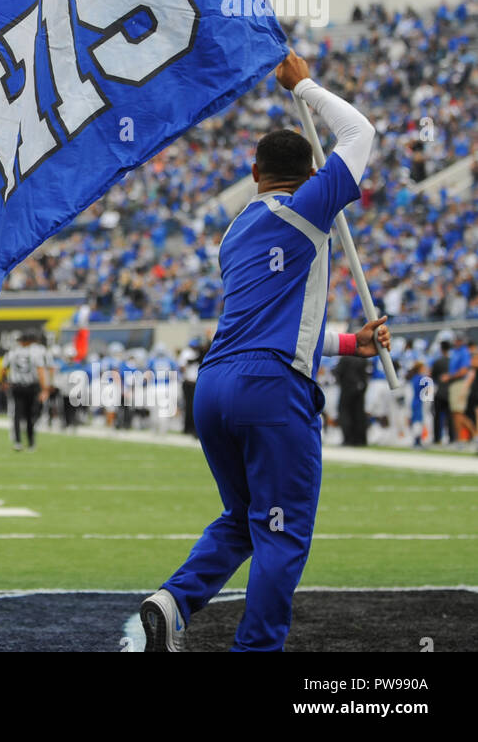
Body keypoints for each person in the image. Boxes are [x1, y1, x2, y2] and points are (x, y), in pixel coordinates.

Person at [141, 50, 391, 653]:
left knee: (245, 518)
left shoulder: (233, 233)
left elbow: (280, 326)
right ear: (310, 176)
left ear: (253, 172)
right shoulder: (311, 207)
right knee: (283, 534)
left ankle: (173, 601)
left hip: (218, 385)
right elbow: (361, 132)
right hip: (270, 390)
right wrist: (304, 86)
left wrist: (350, 343)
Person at [2, 331, 45, 451]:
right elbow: (40, 371)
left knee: (16, 414)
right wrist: (44, 389)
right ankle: (31, 443)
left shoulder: (12, 353)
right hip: (31, 386)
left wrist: (4, 382)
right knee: (30, 415)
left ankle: (18, 442)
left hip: (17, 386)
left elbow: (3, 369)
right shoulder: (35, 352)